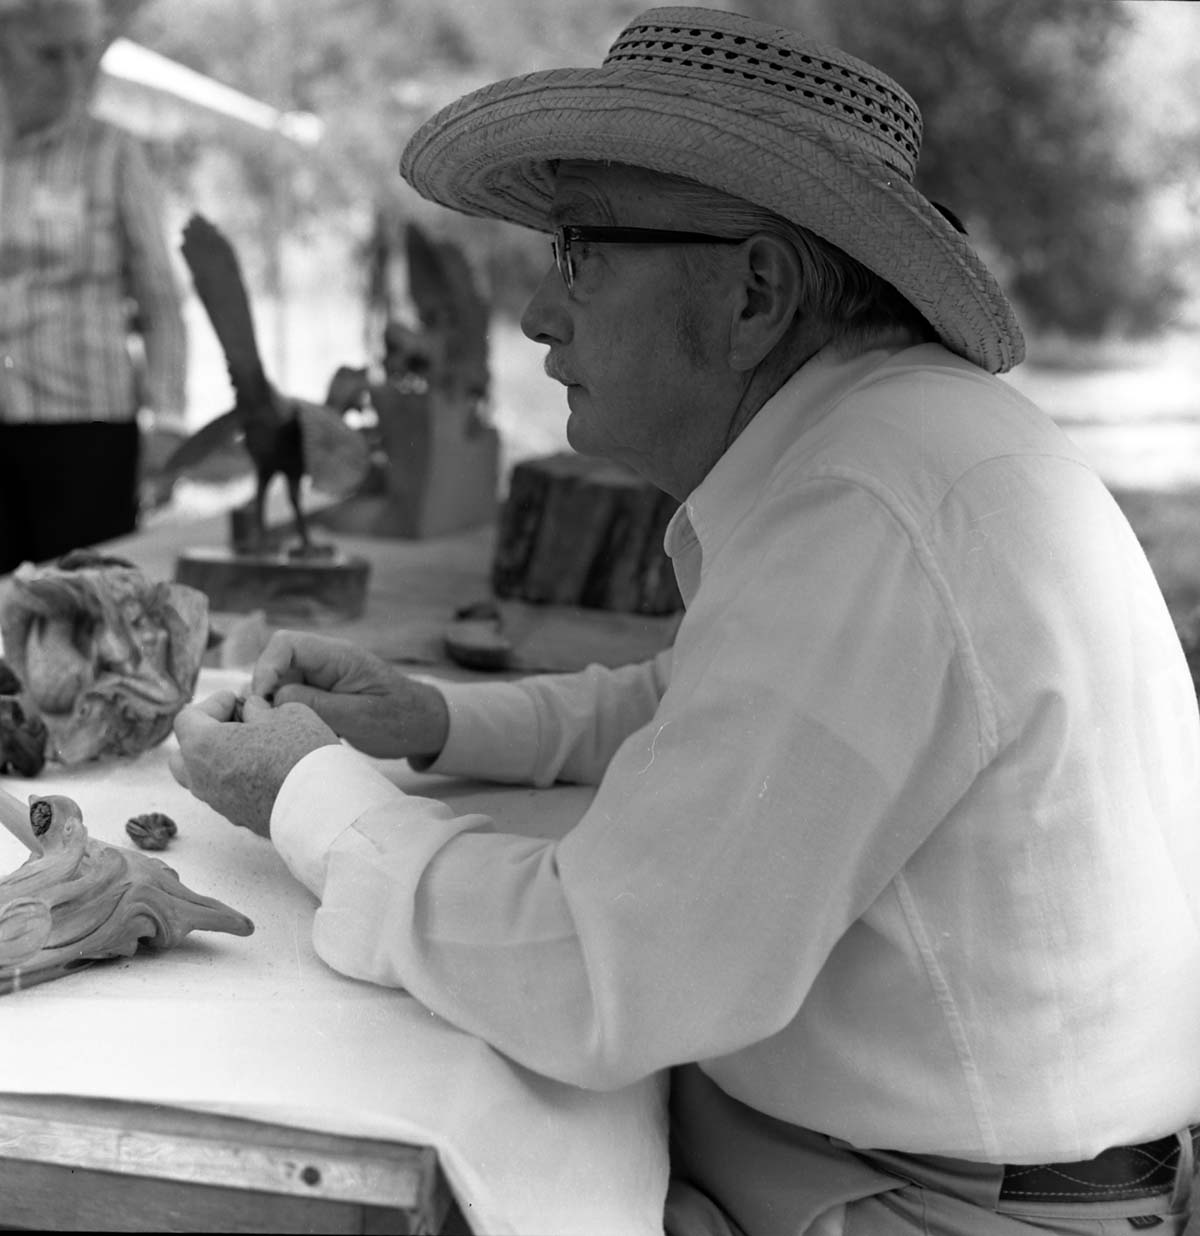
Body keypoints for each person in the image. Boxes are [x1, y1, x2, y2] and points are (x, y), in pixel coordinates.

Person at [170, 8, 1200, 1234]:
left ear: (755, 289)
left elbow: (601, 974)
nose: (542, 318)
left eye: (581, 251)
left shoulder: (863, 507)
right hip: (905, 1164)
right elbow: (709, 708)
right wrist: (432, 717)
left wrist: (309, 799)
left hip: (938, 1208)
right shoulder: (891, 443)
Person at [0, 0, 187, 575]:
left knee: (87, 606)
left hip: (87, 429)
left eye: (83, 53)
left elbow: (160, 299)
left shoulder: (111, 151)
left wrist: (169, 421)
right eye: (49, 54)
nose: (72, 73)